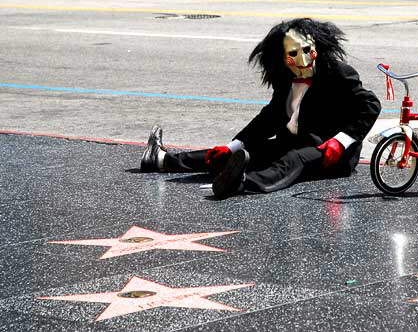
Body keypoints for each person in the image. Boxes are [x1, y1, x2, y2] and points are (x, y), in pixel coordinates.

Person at [140, 18, 382, 200]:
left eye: (308, 50)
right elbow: (270, 118)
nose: (304, 59)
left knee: (294, 159)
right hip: (295, 141)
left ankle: (242, 184)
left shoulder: (337, 73)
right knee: (240, 154)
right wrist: (234, 145)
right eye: (294, 54)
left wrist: (341, 141)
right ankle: (161, 160)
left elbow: (370, 104)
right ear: (283, 58)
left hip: (329, 152)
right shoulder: (285, 78)